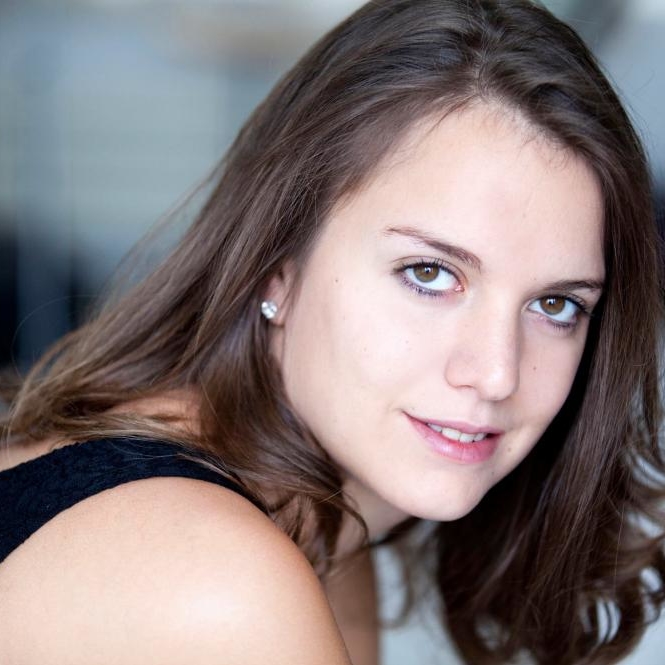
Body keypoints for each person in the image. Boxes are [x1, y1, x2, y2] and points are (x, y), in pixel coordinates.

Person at [1, 0, 663, 663]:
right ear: (277, 267)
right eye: (428, 273)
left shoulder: (317, 521)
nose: (496, 373)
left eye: (555, 305)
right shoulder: (219, 580)